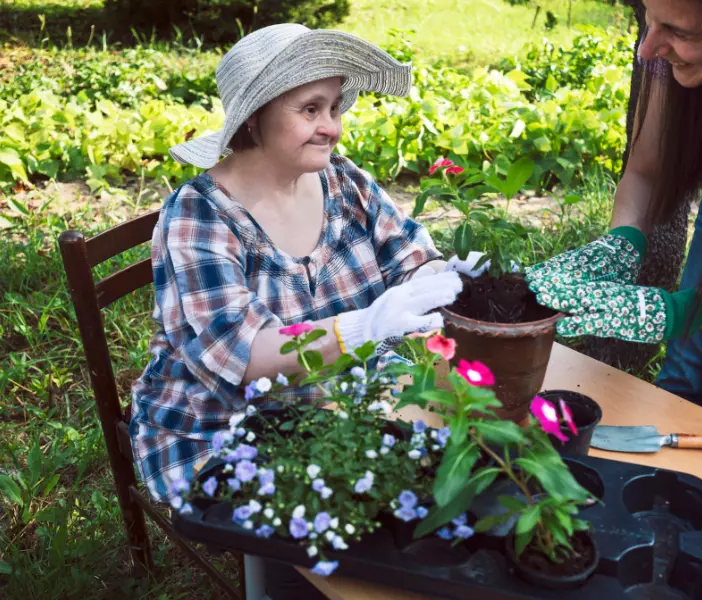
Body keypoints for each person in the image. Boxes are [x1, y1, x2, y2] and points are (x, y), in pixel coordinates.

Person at [129, 23, 481, 599]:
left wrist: (439, 281)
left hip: (348, 404)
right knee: (372, 562)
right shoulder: (199, 216)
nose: (333, 127)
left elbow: (408, 256)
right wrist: (365, 327)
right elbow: (244, 356)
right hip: (227, 429)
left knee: (448, 516)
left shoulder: (345, 184)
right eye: (310, 108)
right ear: (254, 117)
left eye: (336, 105)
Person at [526, 1, 702, 598]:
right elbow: (647, 169)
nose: (649, 47)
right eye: (650, 19)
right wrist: (622, 242)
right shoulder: (663, 55)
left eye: (679, 31)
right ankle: (646, 546)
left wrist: (689, 308)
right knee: (689, 373)